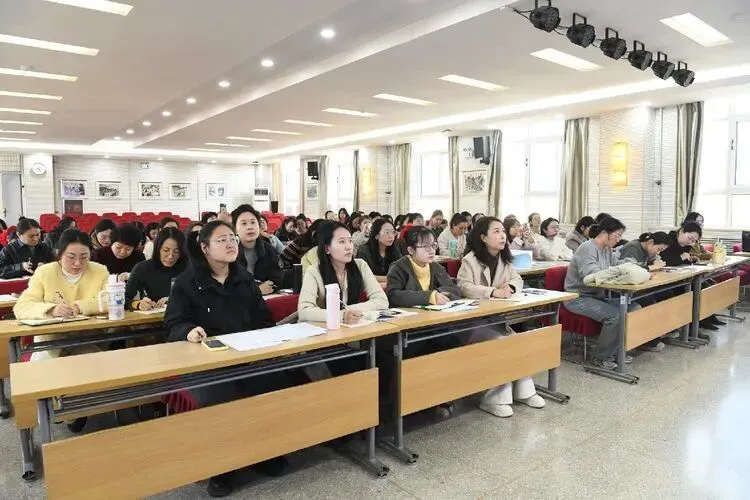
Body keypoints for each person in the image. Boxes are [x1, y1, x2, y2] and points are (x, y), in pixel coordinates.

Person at [164, 221, 289, 496]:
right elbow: (174, 323)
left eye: (232, 238)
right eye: (222, 240)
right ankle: (222, 467)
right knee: (219, 395)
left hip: (246, 355)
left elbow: (264, 320)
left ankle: (261, 452)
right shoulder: (186, 283)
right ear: (205, 248)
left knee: (275, 381)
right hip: (206, 361)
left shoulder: (245, 279)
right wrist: (188, 331)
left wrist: (265, 341)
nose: (231, 243)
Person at [456, 217, 545, 417]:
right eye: (496, 231)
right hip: (472, 322)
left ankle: (524, 391)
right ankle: (493, 398)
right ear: (483, 237)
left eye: (503, 231)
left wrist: (511, 287)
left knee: (517, 341)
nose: (503, 235)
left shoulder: (504, 259)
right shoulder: (470, 260)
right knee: (502, 343)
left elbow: (517, 279)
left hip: (495, 319)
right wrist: (493, 292)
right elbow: (463, 287)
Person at [563, 217, 642, 370]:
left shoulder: (606, 249)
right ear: (605, 233)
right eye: (617, 235)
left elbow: (616, 265)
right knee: (616, 315)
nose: (618, 240)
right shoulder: (587, 248)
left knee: (634, 308)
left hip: (597, 297)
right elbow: (592, 275)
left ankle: (616, 351)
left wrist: (633, 265)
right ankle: (600, 358)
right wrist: (618, 272)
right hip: (578, 298)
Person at [298, 222, 387, 324]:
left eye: (350, 241)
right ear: (327, 248)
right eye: (342, 242)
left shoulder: (360, 266)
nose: (349, 247)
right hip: (322, 328)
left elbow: (382, 301)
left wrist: (349, 311)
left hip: (351, 327)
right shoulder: (313, 272)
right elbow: (304, 311)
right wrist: (341, 315)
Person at [387, 226, 460, 307]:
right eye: (426, 246)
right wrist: (429, 297)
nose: (432, 251)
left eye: (433, 245)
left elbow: (454, 289)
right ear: (411, 250)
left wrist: (436, 294)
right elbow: (393, 296)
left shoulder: (436, 267)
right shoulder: (398, 268)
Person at [126, 227, 187, 311]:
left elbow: (200, 297)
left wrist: (175, 299)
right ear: (158, 249)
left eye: (176, 252)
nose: (170, 256)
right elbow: (123, 299)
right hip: (153, 316)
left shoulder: (189, 268)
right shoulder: (142, 268)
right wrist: (138, 304)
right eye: (166, 250)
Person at [232, 204, 282, 295]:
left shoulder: (269, 250)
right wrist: (256, 290)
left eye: (253, 222)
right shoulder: (230, 252)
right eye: (244, 223)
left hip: (266, 298)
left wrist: (268, 287)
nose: (249, 227)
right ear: (235, 230)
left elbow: (277, 279)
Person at [357, 218, 402, 283]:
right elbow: (365, 276)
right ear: (376, 235)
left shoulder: (394, 249)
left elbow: (401, 272)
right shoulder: (364, 250)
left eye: (393, 232)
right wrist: (391, 278)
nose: (391, 236)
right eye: (387, 232)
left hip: (392, 286)